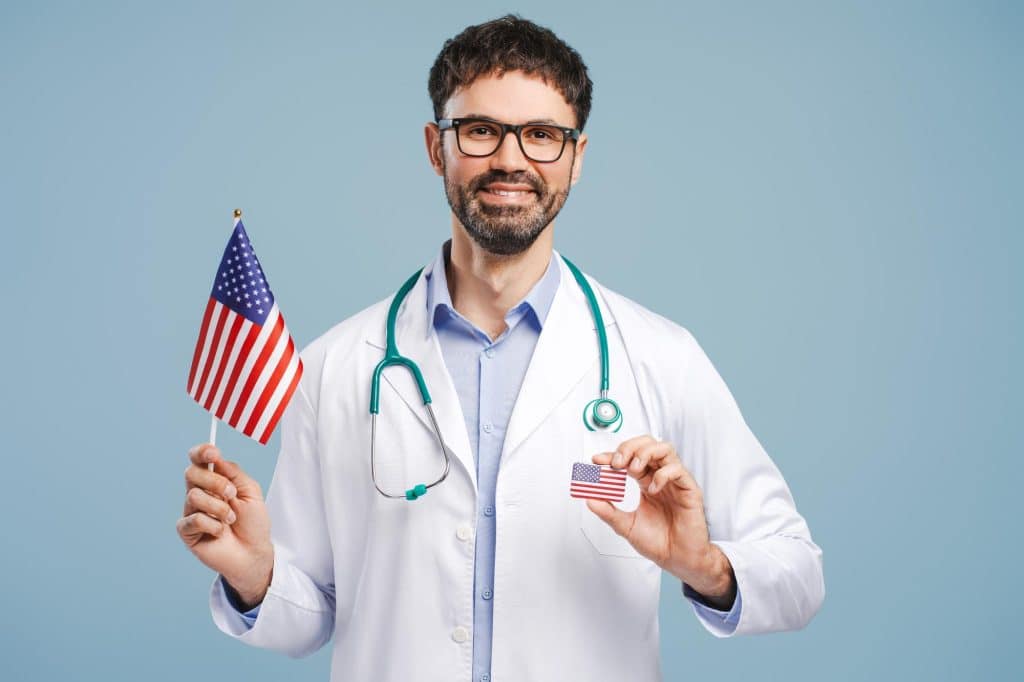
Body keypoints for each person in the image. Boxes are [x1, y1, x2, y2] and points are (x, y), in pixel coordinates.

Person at [177, 14, 824, 681]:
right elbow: (310, 615)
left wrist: (704, 565)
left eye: (543, 135)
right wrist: (255, 576)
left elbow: (798, 573)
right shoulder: (337, 366)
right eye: (481, 131)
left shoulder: (661, 357)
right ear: (437, 148)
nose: (511, 159)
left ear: (576, 158)